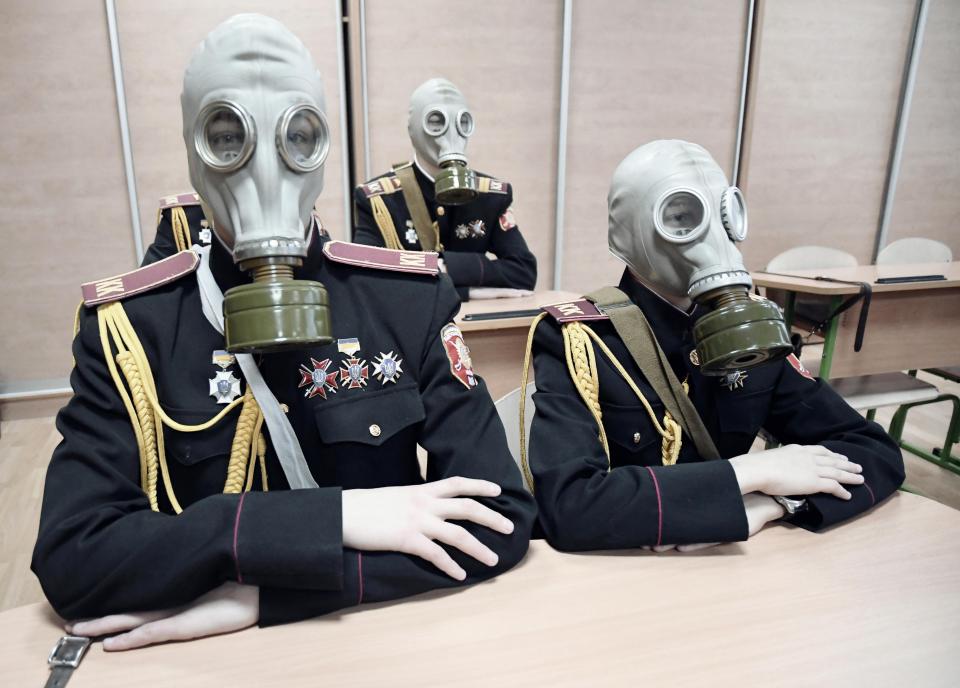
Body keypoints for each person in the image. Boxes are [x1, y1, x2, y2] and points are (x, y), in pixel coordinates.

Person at [31, 14, 535, 651]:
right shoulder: (134, 330)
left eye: (297, 136)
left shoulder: (404, 301)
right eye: (228, 138)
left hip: (387, 647)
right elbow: (75, 558)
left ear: (320, 148)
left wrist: (271, 593)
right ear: (194, 151)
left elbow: (498, 517)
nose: (264, 170)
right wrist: (341, 516)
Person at [521, 139, 904, 552]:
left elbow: (873, 451)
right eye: (681, 218)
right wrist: (748, 474)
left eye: (723, 216)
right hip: (623, 569)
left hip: (728, 565)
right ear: (630, 232)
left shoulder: (753, 334)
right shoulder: (581, 340)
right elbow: (571, 508)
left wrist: (775, 502)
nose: (714, 239)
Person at [352, 78, 537, 300]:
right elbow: (366, 281)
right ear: (414, 130)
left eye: (460, 123)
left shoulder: (490, 197)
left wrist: (447, 267)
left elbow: (523, 271)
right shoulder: (380, 201)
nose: (450, 134)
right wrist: (469, 291)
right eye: (436, 122)